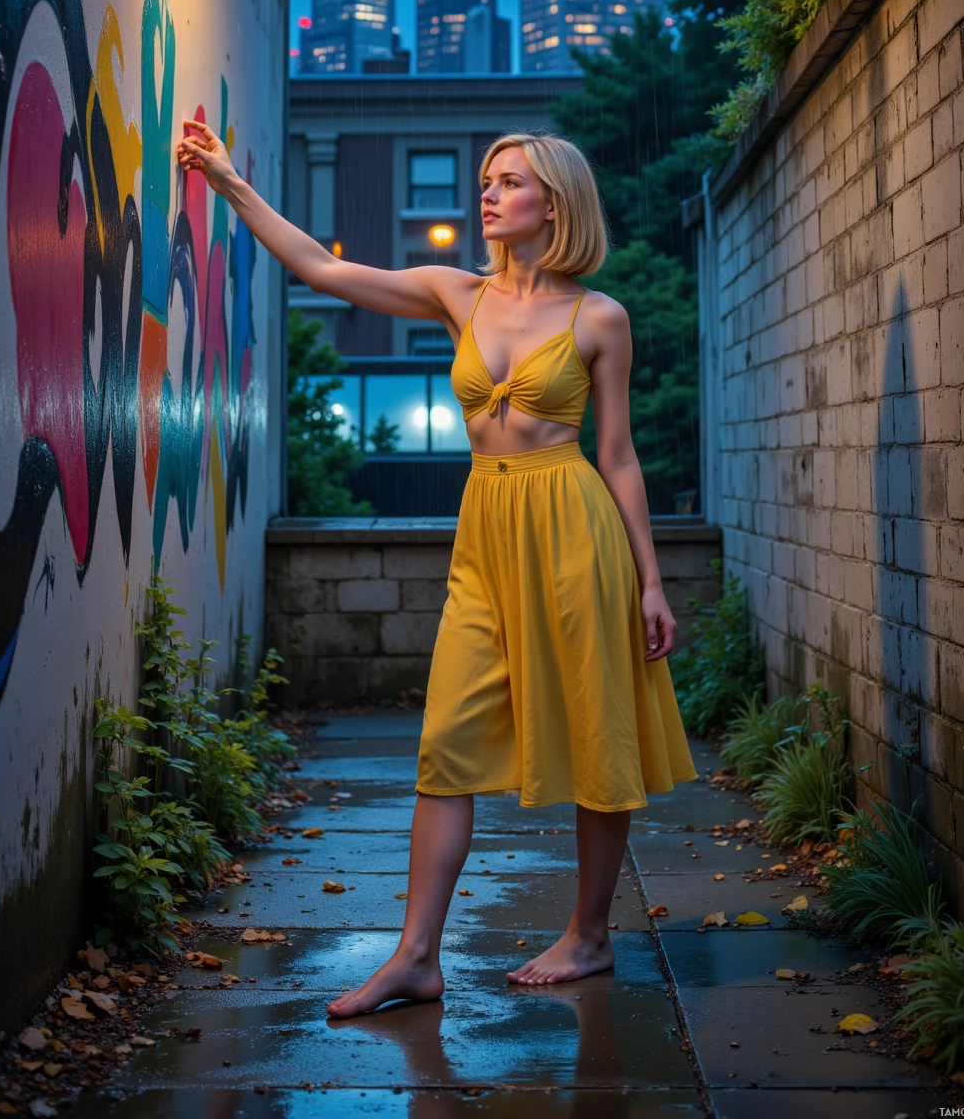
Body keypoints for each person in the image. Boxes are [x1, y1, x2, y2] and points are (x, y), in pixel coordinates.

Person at [176, 121, 697, 1016]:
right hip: (485, 533)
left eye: (510, 182)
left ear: (556, 204)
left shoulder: (598, 317)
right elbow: (323, 270)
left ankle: (590, 935)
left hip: (575, 533)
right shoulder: (459, 293)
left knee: (596, 732)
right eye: (486, 179)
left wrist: (651, 581)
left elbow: (618, 455)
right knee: (446, 743)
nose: (488, 193)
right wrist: (228, 181)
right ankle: (416, 957)